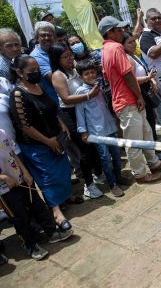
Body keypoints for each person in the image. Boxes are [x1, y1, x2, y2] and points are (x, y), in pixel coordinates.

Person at [99, 16, 161, 183]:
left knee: (146, 134)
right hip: (127, 101)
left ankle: (154, 163)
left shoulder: (106, 49)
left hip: (128, 100)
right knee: (135, 141)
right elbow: (127, 75)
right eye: (119, 30)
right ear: (110, 32)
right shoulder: (115, 48)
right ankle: (139, 173)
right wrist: (139, 96)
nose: (122, 32)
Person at [9, 54, 72, 231]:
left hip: (56, 139)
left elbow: (51, 109)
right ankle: (56, 212)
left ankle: (64, 198)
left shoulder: (38, 85)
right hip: (37, 145)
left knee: (63, 172)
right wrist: (47, 141)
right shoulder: (18, 94)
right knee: (47, 179)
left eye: (37, 69)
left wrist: (61, 125)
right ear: (20, 72)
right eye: (31, 71)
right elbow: (24, 126)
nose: (36, 73)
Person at [0, 129, 73, 260]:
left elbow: (13, 154)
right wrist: (4, 177)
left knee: (37, 205)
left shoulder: (2, 132)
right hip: (4, 190)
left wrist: (25, 172)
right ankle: (30, 245)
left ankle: (52, 232)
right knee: (19, 217)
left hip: (21, 179)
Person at [49, 42, 104, 198]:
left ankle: (98, 174)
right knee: (84, 150)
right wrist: (88, 96)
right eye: (65, 56)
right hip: (70, 113)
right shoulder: (58, 75)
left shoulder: (74, 68)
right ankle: (88, 185)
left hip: (84, 110)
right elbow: (66, 98)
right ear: (56, 59)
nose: (69, 58)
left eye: (70, 55)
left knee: (93, 146)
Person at [75, 60, 129, 197]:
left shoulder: (98, 87)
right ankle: (112, 184)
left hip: (109, 127)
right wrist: (83, 132)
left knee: (117, 155)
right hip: (96, 131)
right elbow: (80, 113)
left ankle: (118, 177)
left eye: (92, 72)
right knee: (105, 158)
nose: (91, 75)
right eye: (86, 74)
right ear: (81, 76)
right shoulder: (81, 92)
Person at [123, 32, 159, 141]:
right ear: (122, 45)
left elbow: (145, 71)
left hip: (146, 89)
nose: (133, 44)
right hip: (140, 92)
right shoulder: (128, 59)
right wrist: (149, 78)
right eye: (129, 42)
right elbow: (132, 80)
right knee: (148, 122)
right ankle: (154, 148)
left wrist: (151, 79)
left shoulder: (134, 56)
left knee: (151, 120)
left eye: (134, 41)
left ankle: (154, 145)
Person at [140, 8, 161, 126]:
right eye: (153, 18)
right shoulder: (146, 36)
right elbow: (153, 53)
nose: (158, 20)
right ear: (146, 20)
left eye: (159, 17)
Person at [30, 21, 59, 103]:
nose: (47, 38)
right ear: (36, 37)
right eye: (43, 35)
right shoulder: (35, 57)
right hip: (57, 102)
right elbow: (54, 80)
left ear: (54, 36)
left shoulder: (56, 50)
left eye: (50, 35)